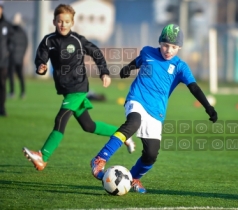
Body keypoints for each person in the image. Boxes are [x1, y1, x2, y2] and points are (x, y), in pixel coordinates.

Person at [90, 24, 218, 193]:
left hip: (157, 111)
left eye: (173, 47)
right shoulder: (148, 51)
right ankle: (100, 158)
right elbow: (139, 61)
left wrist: (207, 107)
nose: (168, 50)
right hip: (137, 99)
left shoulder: (180, 66)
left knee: (151, 154)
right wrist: (129, 67)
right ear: (160, 43)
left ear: (179, 47)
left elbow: (193, 87)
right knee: (133, 123)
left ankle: (134, 178)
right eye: (165, 45)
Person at [22, 4, 135, 171]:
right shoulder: (48, 41)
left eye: (67, 21)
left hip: (78, 87)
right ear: (54, 21)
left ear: (72, 22)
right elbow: (41, 58)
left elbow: (95, 52)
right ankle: (123, 135)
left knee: (60, 119)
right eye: (60, 21)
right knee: (89, 126)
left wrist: (104, 72)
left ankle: (42, 156)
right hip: (66, 89)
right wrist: (41, 67)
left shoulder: (77, 40)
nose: (63, 24)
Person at [7, 13, 28, 99]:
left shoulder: (11, 31)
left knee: (11, 76)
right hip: (20, 58)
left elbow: (8, 44)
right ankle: (23, 92)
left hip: (12, 57)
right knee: (21, 76)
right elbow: (26, 44)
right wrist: (23, 55)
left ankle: (12, 92)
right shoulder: (23, 32)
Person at [0, 3, 13, 116]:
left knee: (2, 85)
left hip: (3, 62)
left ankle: (2, 109)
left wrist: (9, 52)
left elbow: (12, 41)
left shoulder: (7, 25)